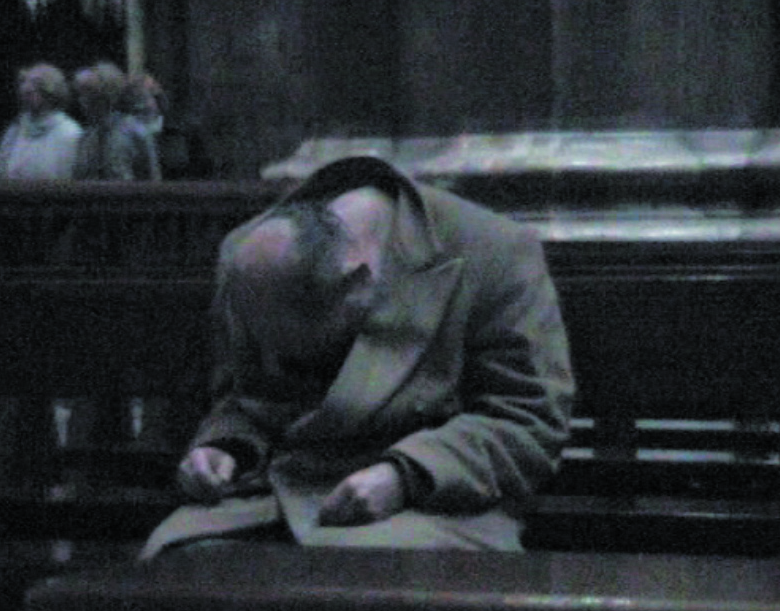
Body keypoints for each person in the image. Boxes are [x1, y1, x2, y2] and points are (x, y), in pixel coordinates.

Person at [140, 156, 574, 559]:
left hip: (438, 506)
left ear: (357, 286)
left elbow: (528, 418)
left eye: (301, 349)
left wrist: (407, 475)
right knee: (181, 564)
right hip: (274, 493)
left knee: (354, 579)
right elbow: (239, 395)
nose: (287, 361)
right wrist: (223, 447)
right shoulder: (250, 256)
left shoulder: (493, 251)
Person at [0, 63, 82, 181]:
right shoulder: (16, 129)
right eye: (25, 90)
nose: (26, 94)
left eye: (35, 89)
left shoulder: (68, 132)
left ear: (50, 93)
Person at [73, 62, 159, 181]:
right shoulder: (88, 136)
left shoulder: (134, 131)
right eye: (81, 94)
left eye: (90, 93)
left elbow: (152, 177)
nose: (82, 101)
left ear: (107, 94)